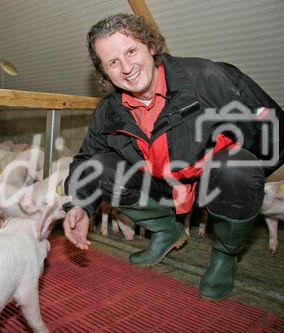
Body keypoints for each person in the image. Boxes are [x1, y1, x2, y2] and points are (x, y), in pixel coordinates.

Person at [62, 13, 283, 301]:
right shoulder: (108, 110)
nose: (127, 68)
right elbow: (85, 158)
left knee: (236, 168)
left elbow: (273, 126)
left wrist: (248, 180)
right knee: (97, 167)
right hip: (160, 185)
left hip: (210, 182)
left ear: (151, 46)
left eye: (131, 51)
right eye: (113, 62)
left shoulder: (207, 78)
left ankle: (225, 254)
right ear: (104, 72)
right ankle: (166, 230)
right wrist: (79, 204)